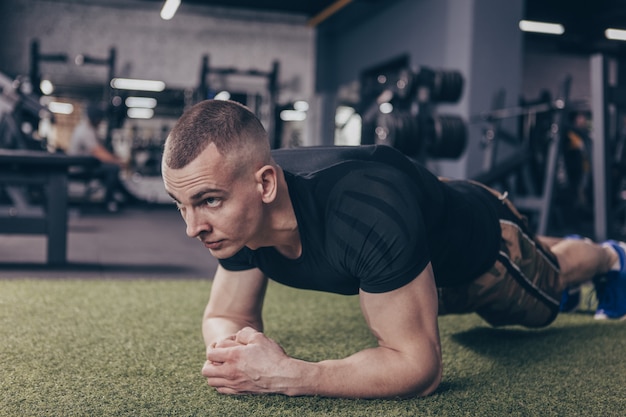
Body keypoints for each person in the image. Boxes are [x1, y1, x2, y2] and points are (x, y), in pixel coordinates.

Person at [161, 99, 626, 399]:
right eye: (181, 205)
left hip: (485, 253)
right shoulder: (231, 216)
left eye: (207, 202)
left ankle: (610, 256)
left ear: (265, 184)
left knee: (550, 284)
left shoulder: (361, 214)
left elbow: (419, 369)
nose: (192, 228)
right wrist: (232, 354)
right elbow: (226, 315)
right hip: (416, 227)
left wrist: (286, 374)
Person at [67, 102, 127, 212]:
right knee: (113, 169)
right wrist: (117, 161)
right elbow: (98, 152)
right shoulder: (85, 131)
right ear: (95, 118)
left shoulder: (89, 129)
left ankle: (125, 198)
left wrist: (114, 158)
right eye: (100, 119)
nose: (101, 121)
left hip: (86, 166)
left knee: (110, 168)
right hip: (79, 169)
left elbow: (100, 149)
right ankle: (107, 203)